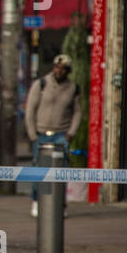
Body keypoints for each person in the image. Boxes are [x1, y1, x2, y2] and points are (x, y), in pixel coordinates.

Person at [25, 53, 82, 217]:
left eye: (63, 69)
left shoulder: (73, 88)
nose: (59, 71)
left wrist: (71, 133)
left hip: (61, 135)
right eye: (57, 68)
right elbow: (30, 109)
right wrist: (32, 134)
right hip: (41, 133)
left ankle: (60, 204)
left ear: (68, 71)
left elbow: (77, 112)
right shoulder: (41, 84)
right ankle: (36, 201)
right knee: (38, 168)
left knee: (61, 170)